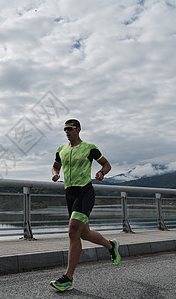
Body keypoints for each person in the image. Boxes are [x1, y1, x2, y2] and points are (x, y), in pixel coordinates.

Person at [50, 119, 120, 292]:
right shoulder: (61, 150)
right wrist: (55, 174)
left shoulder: (90, 148)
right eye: (64, 129)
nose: (67, 132)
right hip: (69, 194)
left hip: (85, 192)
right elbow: (55, 166)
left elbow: (106, 164)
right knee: (85, 234)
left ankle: (68, 278)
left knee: (73, 230)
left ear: (78, 129)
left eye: (70, 129)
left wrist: (101, 172)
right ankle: (111, 246)